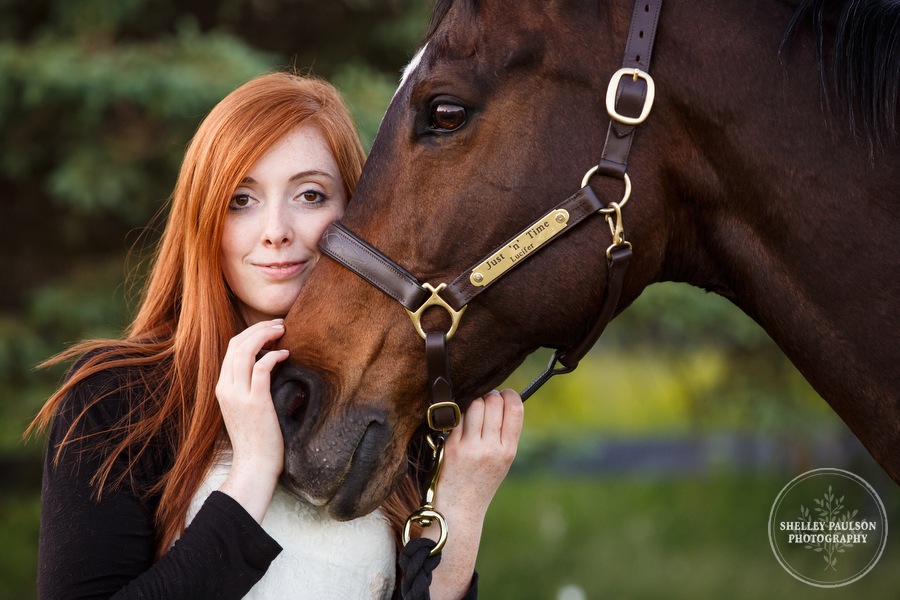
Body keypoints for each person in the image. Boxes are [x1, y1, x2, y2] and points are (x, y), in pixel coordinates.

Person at [29, 72, 524, 600]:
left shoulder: (391, 401)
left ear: (359, 213)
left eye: (310, 195)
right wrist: (253, 473)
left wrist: (462, 511)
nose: (276, 230)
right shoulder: (118, 400)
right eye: (241, 200)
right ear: (205, 221)